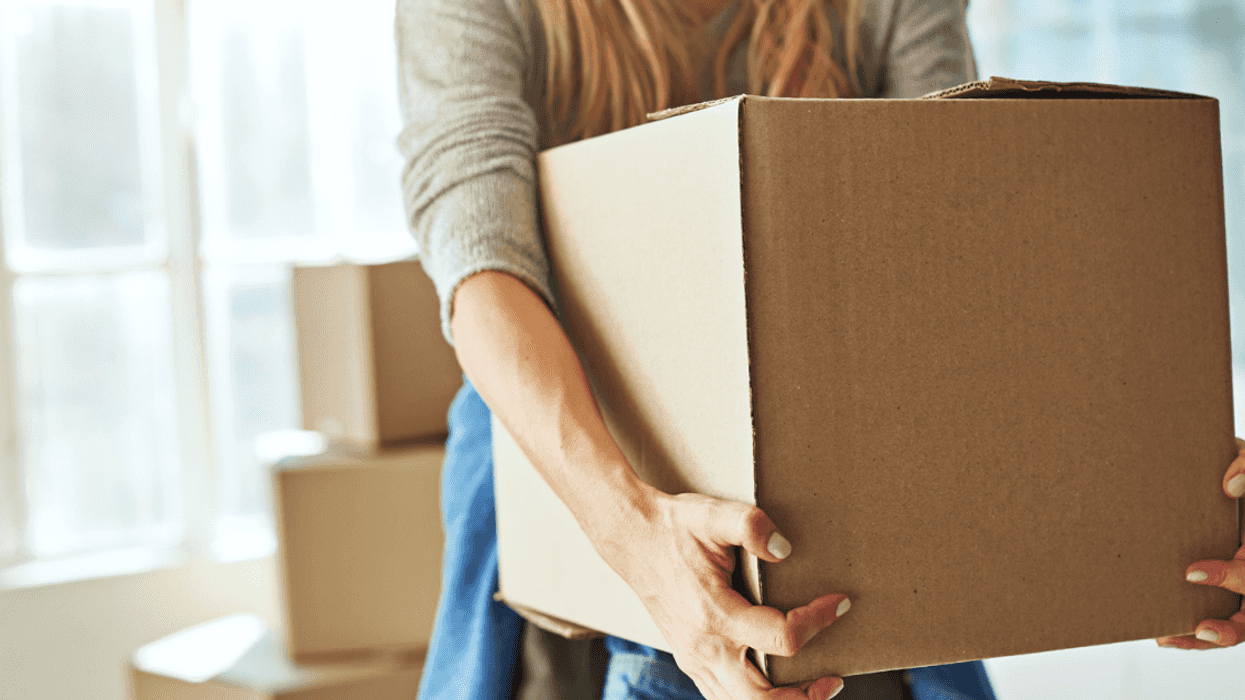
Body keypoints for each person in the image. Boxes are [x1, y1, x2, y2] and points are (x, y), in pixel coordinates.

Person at [394, 1, 1245, 698]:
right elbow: (479, 264)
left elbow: (972, 233)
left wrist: (1151, 503)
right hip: (577, 424)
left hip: (857, 410)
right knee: (491, 444)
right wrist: (632, 535)